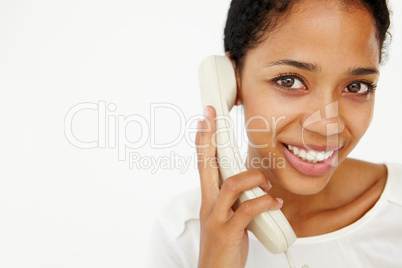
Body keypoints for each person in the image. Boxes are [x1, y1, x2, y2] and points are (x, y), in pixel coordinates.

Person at [147, 0, 402, 267]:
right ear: (231, 81)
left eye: (357, 86)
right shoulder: (183, 232)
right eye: (289, 81)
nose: (328, 125)